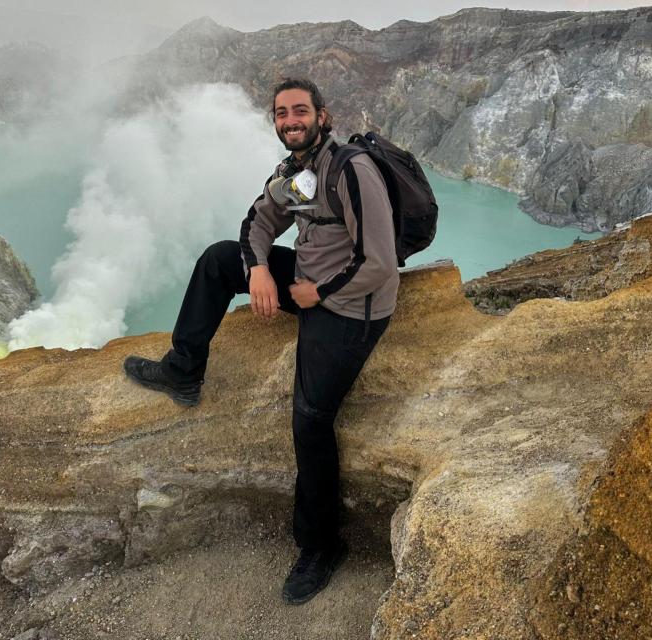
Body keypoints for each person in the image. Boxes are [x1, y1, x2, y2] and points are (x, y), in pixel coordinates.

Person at [124, 78, 399, 604]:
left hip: (350, 304)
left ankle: (321, 546)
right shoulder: (298, 173)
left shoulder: (351, 170)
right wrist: (257, 271)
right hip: (309, 282)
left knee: (311, 418)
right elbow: (259, 221)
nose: (290, 120)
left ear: (323, 115)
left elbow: (380, 263)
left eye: (300, 111)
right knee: (217, 258)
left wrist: (315, 293)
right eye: (281, 114)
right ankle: (184, 370)